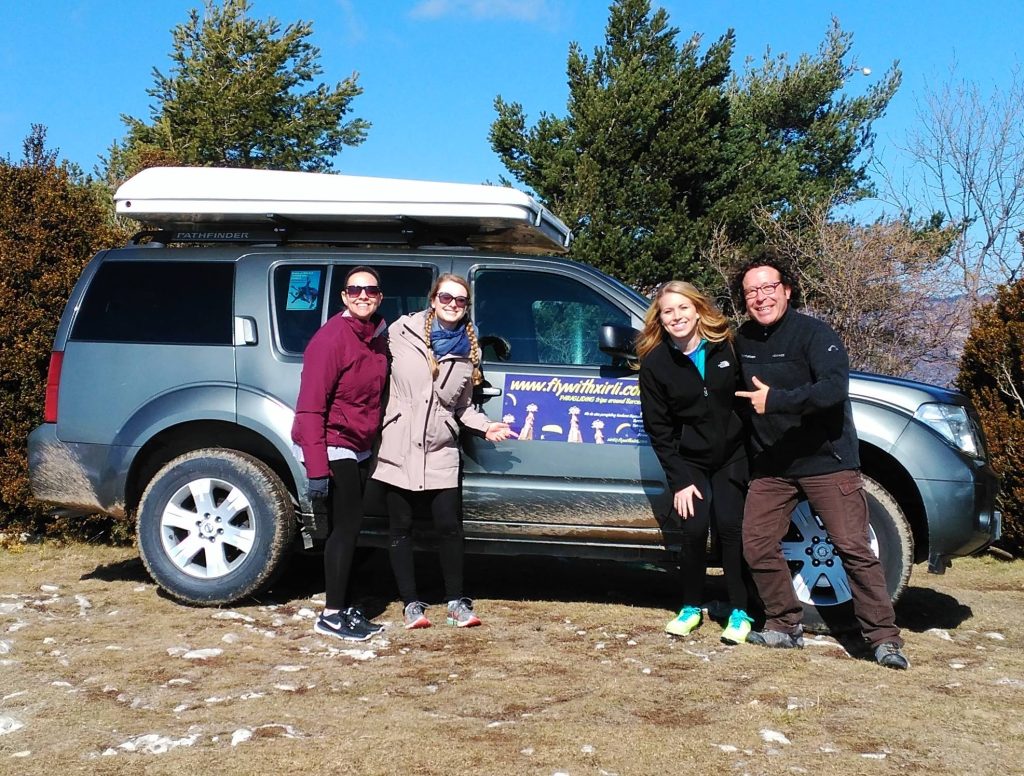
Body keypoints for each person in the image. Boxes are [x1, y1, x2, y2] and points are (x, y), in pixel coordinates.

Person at [731, 252, 910, 669]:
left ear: (787, 291)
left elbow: (832, 390)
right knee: (756, 544)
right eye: (751, 291)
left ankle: (884, 638)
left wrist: (775, 401)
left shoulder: (815, 334)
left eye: (768, 288)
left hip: (826, 462)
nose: (760, 297)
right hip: (773, 466)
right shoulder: (742, 341)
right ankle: (783, 625)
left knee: (853, 546)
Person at [372, 274, 516, 629]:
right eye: (446, 298)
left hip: (441, 448)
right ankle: (411, 605)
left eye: (460, 300)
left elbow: (463, 406)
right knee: (401, 528)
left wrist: (486, 426)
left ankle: (456, 603)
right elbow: (369, 370)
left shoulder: (470, 350)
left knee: (450, 527)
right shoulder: (398, 334)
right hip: (398, 445)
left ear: (466, 307)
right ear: (433, 299)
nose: (453, 304)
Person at [637, 280, 755, 645]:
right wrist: (679, 479)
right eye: (668, 311)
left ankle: (740, 610)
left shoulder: (728, 346)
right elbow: (658, 428)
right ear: (660, 318)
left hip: (732, 456)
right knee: (692, 531)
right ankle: (690, 607)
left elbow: (750, 398)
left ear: (698, 308)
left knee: (731, 529)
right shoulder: (656, 363)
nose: (676, 316)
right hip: (689, 463)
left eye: (683, 308)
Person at [292, 266, 388, 642]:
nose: (363, 295)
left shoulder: (377, 336)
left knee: (352, 527)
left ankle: (344, 605)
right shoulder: (330, 340)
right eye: (355, 290)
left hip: (359, 445)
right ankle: (331, 615)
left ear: (380, 297)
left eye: (370, 290)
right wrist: (317, 469)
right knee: (344, 529)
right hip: (332, 443)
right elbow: (310, 409)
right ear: (344, 296)